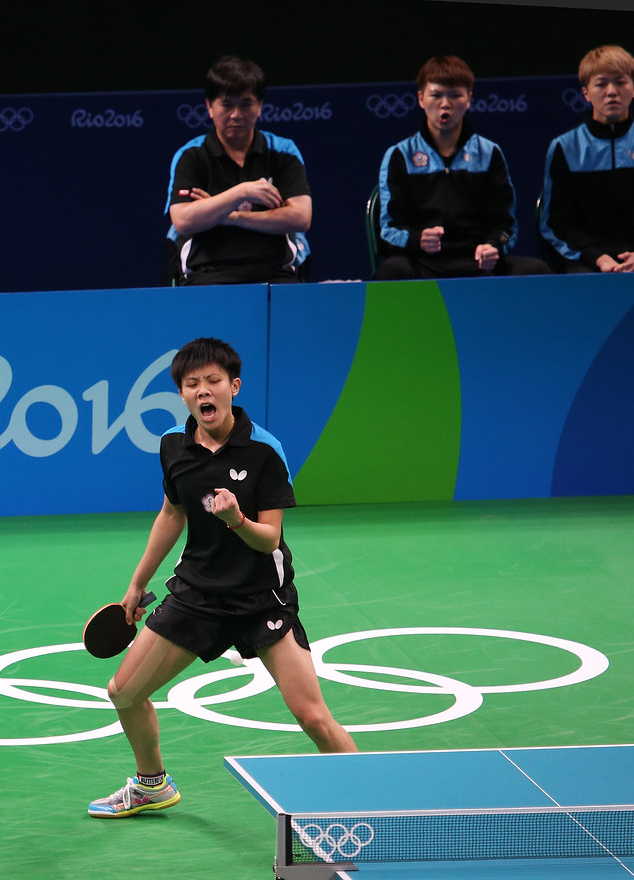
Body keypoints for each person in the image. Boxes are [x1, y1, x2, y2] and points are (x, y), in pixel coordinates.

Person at [88, 338, 357, 819]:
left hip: (262, 598)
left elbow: (270, 539)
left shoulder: (264, 451)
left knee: (313, 716)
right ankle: (152, 785)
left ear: (234, 387)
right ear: (182, 394)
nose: (203, 391)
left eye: (213, 381)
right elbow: (172, 512)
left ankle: (374, 800)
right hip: (198, 594)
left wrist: (236, 519)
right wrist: (136, 583)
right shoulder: (173, 445)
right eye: (192, 384)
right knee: (123, 692)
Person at [374, 56, 549, 280]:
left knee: (537, 271)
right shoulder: (400, 155)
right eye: (436, 95)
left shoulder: (489, 153)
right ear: (421, 99)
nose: (445, 104)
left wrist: (493, 246)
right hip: (423, 263)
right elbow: (389, 229)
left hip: (477, 263)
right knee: (390, 271)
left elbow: (505, 223)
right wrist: (417, 240)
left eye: (455, 95)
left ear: (469, 99)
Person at [165, 57, 313, 285]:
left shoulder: (284, 151)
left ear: (259, 106)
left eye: (246, 104)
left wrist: (227, 216)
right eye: (226, 105)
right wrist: (242, 192)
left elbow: (301, 217)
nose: (236, 114)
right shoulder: (191, 155)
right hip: (207, 274)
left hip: (276, 273)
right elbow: (183, 220)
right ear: (210, 107)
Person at [540, 45, 634, 274]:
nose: (611, 92)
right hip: (586, 259)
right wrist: (597, 257)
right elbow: (556, 223)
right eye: (601, 84)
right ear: (586, 93)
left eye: (620, 82)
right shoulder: (565, 147)